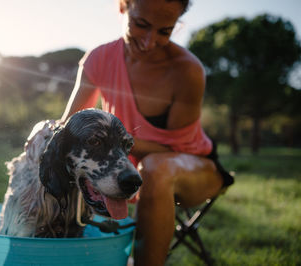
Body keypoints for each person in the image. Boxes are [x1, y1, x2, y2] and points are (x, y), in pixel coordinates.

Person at [59, 0, 233, 265]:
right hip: (124, 170)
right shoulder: (98, 59)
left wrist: (108, 140)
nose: (150, 41)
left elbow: (175, 150)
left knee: (155, 168)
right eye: (141, 25)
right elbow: (69, 128)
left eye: (165, 31)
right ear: (122, 8)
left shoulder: (187, 70)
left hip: (195, 168)